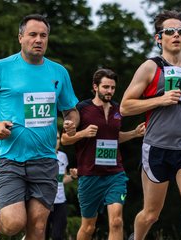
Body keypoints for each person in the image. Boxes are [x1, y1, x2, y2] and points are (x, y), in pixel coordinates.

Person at [0, 14, 79, 240]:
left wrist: (71, 124)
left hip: (46, 158)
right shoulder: (0, 68)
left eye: (43, 35)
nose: (38, 40)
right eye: (32, 35)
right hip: (9, 157)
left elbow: (71, 109)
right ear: (20, 38)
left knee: (38, 227)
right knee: (14, 222)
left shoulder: (58, 72)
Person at [120, 10, 181, 240]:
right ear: (158, 38)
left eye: (180, 32)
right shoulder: (150, 67)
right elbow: (125, 106)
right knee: (151, 214)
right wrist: (160, 100)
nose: (176, 35)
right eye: (169, 31)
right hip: (157, 147)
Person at [61, 68, 145, 240]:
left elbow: (115, 138)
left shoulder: (117, 109)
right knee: (88, 227)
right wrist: (83, 133)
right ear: (95, 87)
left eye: (113, 88)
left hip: (115, 173)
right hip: (90, 175)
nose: (110, 91)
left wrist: (134, 134)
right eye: (106, 87)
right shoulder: (81, 109)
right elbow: (64, 140)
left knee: (116, 221)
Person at [45, 131, 78, 240]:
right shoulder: (40, 156)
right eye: (53, 138)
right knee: (41, 234)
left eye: (58, 138)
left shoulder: (63, 156)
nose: (56, 141)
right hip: (43, 202)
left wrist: (73, 176)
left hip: (60, 202)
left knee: (58, 236)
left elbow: (62, 179)